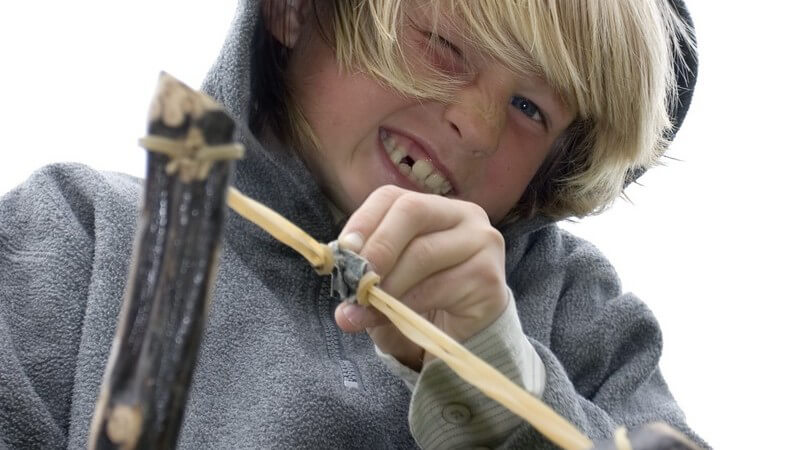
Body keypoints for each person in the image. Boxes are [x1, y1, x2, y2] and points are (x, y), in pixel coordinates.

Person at [0, 0, 702, 448]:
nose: (478, 125)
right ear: (294, 12)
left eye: (530, 110)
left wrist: (504, 384)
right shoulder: (83, 235)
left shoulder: (573, 308)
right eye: (443, 43)